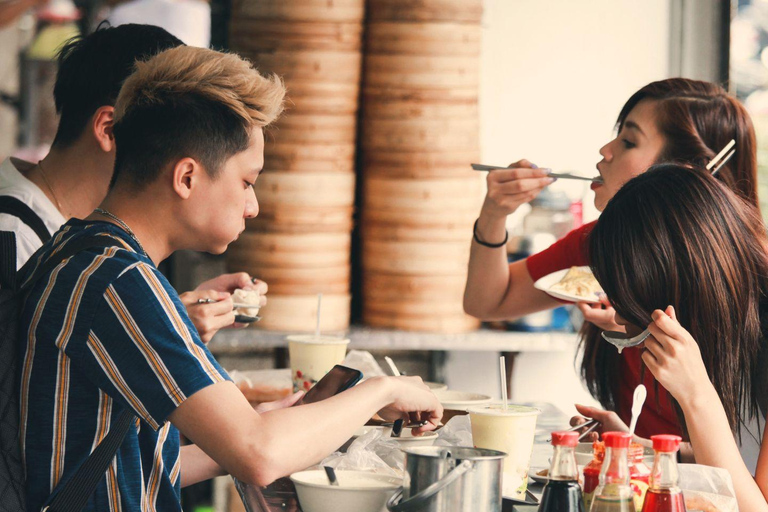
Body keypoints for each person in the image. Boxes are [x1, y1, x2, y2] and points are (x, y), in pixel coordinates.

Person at [18, 45, 443, 511]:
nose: (253, 205)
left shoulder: (80, 249)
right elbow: (260, 455)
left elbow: (130, 462)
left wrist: (250, 434)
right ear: (186, 177)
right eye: (246, 181)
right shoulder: (120, 281)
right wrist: (383, 389)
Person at [463, 78, 759, 445]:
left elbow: (746, 483)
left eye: (629, 141)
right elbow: (487, 302)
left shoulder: (752, 284)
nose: (604, 150)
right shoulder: (601, 242)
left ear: (687, 172)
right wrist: (494, 214)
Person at [0, 23, 260, 342]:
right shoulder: (13, 237)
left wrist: (171, 312)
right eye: (176, 127)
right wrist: (161, 332)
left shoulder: (108, 234)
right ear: (109, 128)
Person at [588, 164, 768, 511]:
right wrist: (638, 445)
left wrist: (696, 393)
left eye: (628, 299)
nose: (621, 318)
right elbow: (745, 455)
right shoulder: (733, 333)